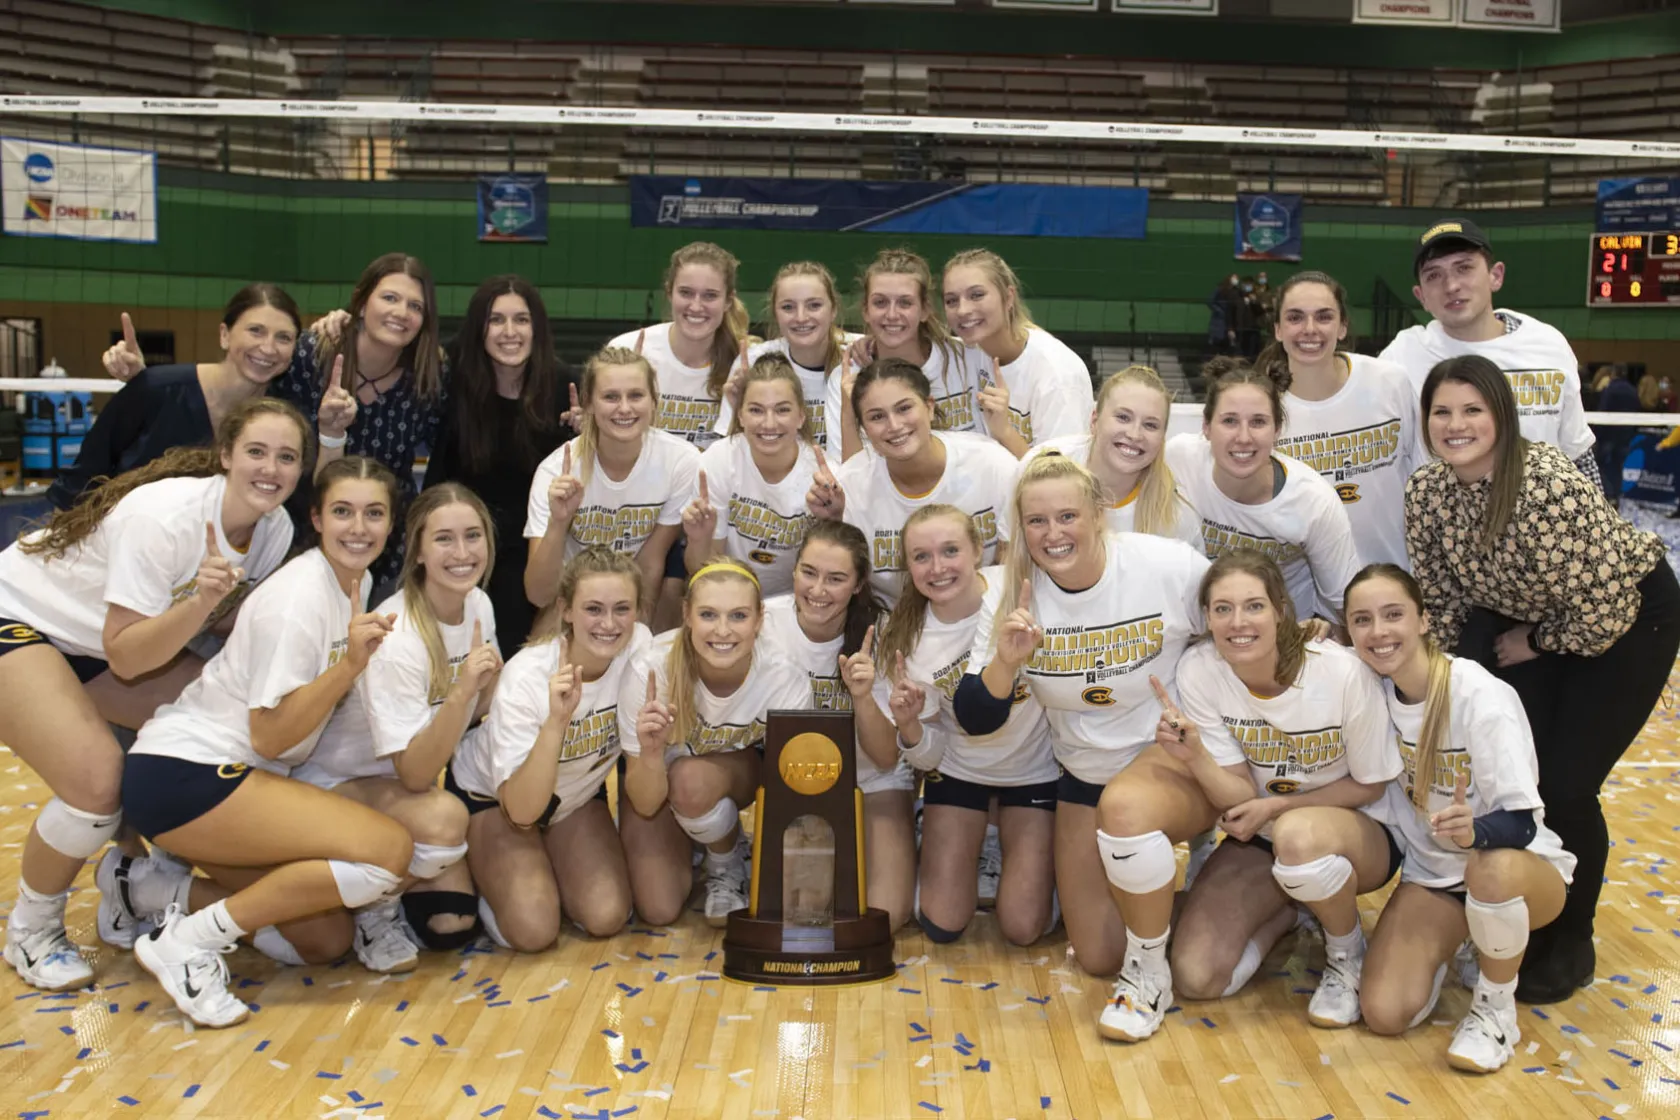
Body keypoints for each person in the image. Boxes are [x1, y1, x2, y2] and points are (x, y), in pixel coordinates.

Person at [0, 399, 309, 988]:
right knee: (96, 785)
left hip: (92, 641)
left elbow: (220, 623)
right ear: (226, 455)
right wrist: (201, 602)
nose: (271, 469)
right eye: (256, 451)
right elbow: (127, 654)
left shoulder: (275, 530)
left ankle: (138, 881)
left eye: (287, 457)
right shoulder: (165, 519)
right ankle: (31, 931)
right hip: (20, 617)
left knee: (217, 730)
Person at [1403, 353, 1680, 1003]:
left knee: (1566, 784)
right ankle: (1515, 907)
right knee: (1512, 770)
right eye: (1442, 412)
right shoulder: (1427, 492)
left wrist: (1533, 641)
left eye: (1472, 409)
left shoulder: (1545, 485)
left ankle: (1572, 939)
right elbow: (1442, 600)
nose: (1456, 424)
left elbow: (1604, 611)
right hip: (1527, 618)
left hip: (1628, 618)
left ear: (1501, 415)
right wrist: (1441, 688)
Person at [119, 457, 421, 1027]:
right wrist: (349, 667)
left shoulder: (350, 585)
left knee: (324, 939)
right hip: (186, 773)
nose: (359, 527)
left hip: (219, 778)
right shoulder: (298, 599)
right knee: (388, 852)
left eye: (374, 514)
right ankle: (184, 944)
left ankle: (144, 889)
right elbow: (270, 735)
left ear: (391, 523)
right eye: (343, 512)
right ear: (317, 518)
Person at [1095, 550, 1400, 1043]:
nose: (1238, 622)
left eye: (1254, 606)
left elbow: (1372, 783)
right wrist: (1196, 756)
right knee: (1197, 977)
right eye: (1223, 609)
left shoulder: (1341, 673)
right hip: (1268, 836)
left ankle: (1346, 955)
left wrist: (1278, 807)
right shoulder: (1201, 670)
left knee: (1297, 836)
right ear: (1207, 617)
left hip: (1358, 827)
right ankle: (1291, 907)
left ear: (1281, 609)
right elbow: (1237, 791)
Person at [954, 453, 1207, 977]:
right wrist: (1006, 662)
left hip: (1170, 762)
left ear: (1098, 514)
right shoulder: (1010, 592)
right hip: (1085, 776)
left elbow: (1239, 622)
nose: (1053, 534)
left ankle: (1194, 898)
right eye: (1037, 521)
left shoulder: (1167, 565)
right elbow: (976, 717)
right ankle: (1196, 903)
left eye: (1067, 516)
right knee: (1098, 957)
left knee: (1128, 812)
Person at [1345, 564, 1575, 1074]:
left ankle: (1495, 1009)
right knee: (1384, 1013)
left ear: (1424, 620)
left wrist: (1476, 832)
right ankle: (1469, 937)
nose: (1378, 631)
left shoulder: (1478, 694)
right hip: (1435, 877)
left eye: (1393, 614)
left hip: (1518, 869)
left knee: (1489, 867)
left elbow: (1522, 823)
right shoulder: (1367, 690)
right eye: (1362, 620)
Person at [283, 484, 498, 969]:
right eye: (444, 539)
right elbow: (417, 776)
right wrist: (463, 692)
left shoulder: (478, 605)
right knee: (445, 820)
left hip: (395, 787)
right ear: (417, 550)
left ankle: (377, 885)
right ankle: (373, 911)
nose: (462, 553)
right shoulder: (397, 635)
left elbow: (475, 709)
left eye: (473, 536)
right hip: (335, 784)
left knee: (451, 923)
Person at [448, 547, 653, 948]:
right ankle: (481, 876)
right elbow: (521, 812)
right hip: (496, 798)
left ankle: (545, 862)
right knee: (534, 930)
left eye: (622, 609)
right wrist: (556, 722)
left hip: (573, 797)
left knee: (607, 915)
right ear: (566, 610)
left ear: (638, 612)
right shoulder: (527, 677)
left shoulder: (639, 648)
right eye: (593, 609)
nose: (609, 624)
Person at [870, 504, 1054, 944]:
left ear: (977, 550)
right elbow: (930, 754)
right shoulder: (908, 637)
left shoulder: (1021, 589)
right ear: (908, 566)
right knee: (941, 922)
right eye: (921, 557)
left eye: (950, 550)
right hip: (960, 770)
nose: (937, 568)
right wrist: (910, 726)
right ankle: (955, 832)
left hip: (1034, 770)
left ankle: (1033, 856)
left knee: (1022, 928)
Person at [619, 559, 809, 925]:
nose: (723, 631)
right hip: (656, 787)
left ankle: (727, 863)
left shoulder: (783, 677)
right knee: (659, 908)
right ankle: (706, 836)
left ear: (759, 619)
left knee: (690, 781)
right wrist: (652, 752)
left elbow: (790, 789)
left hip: (734, 776)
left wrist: (782, 871)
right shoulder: (650, 669)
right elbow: (644, 802)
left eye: (738, 616)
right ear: (686, 615)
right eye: (708, 614)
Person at [759, 522, 913, 931]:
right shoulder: (763, 623)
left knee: (887, 916)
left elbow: (885, 757)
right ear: (793, 570)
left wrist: (862, 696)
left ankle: (906, 832)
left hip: (872, 777)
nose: (818, 590)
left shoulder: (883, 633)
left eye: (836, 578)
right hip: (796, 784)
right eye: (809, 572)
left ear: (859, 584)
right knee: (805, 913)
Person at [1379, 218, 1599, 488]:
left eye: (1464, 268)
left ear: (1496, 276)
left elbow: (1578, 455)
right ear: (1421, 296)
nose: (1451, 286)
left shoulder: (1547, 345)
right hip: (1446, 512)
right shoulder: (1401, 357)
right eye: (1434, 275)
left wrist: (1599, 514)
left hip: (1543, 511)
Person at [423, 275, 570, 655]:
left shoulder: (566, 389)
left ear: (537, 328)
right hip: (464, 542)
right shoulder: (450, 378)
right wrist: (341, 323)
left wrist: (591, 433)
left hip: (531, 549)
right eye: (496, 320)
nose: (509, 332)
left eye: (521, 320)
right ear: (479, 328)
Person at [1164, 360, 1360, 624]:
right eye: (1230, 421)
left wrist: (1322, 634)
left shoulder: (1313, 502)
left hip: (1285, 634)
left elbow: (1346, 606)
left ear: (1277, 430)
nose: (1244, 437)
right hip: (1198, 628)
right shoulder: (1178, 459)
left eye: (1258, 422)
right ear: (1206, 427)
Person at [75, 285, 302, 510]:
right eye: (256, 331)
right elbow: (79, 480)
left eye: (284, 338)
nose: (268, 348)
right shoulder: (156, 389)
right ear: (224, 335)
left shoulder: (284, 419)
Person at [818, 358, 1016, 607]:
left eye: (904, 408)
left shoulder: (990, 463)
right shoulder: (850, 488)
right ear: (864, 429)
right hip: (891, 619)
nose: (894, 425)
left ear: (929, 407)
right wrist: (831, 520)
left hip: (986, 611)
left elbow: (1013, 563)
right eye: (877, 417)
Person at [1256, 271, 1421, 570]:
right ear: (1278, 329)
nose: (1310, 329)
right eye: (1295, 318)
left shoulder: (1389, 382)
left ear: (1342, 326)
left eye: (1324, 317)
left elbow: (1424, 474)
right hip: (1303, 593)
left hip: (1394, 578)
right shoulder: (1260, 407)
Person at [523, 346, 700, 621]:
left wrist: (634, 634)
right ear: (588, 404)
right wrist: (558, 523)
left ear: (654, 401)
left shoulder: (681, 461)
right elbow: (538, 594)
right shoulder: (555, 472)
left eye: (636, 395)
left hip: (632, 593)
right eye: (610, 397)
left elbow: (650, 563)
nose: (625, 408)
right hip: (573, 598)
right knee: (540, 647)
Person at [1012, 365, 1202, 549]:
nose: (1135, 435)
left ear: (1162, 438)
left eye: (1150, 425)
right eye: (1123, 417)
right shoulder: (1037, 469)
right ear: (1094, 420)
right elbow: (1012, 555)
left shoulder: (1177, 519)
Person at [687, 354, 823, 597]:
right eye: (756, 410)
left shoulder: (822, 476)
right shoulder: (719, 459)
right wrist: (699, 539)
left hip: (798, 601)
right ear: (740, 415)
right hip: (728, 594)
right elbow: (702, 571)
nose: (769, 423)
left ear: (801, 416)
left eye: (782, 410)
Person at [942, 249, 1095, 457]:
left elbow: (1060, 472)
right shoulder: (971, 351)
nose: (962, 310)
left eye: (976, 295)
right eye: (951, 300)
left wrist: (1005, 431)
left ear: (1008, 298)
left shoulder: (1057, 374)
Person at [834, 249, 981, 462]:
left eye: (905, 303)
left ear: (925, 309)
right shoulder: (847, 378)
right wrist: (849, 412)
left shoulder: (967, 358)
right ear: (865, 310)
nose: (892, 314)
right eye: (880, 302)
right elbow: (850, 472)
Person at [608, 241, 750, 449]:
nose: (696, 306)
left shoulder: (744, 364)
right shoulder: (627, 351)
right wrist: (591, 421)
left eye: (710, 295)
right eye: (686, 293)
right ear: (669, 293)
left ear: (728, 301)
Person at [718, 261, 853, 451]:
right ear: (775, 312)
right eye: (788, 307)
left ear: (833, 310)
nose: (801, 317)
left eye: (814, 305)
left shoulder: (860, 356)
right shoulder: (754, 361)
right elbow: (730, 450)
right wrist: (737, 408)